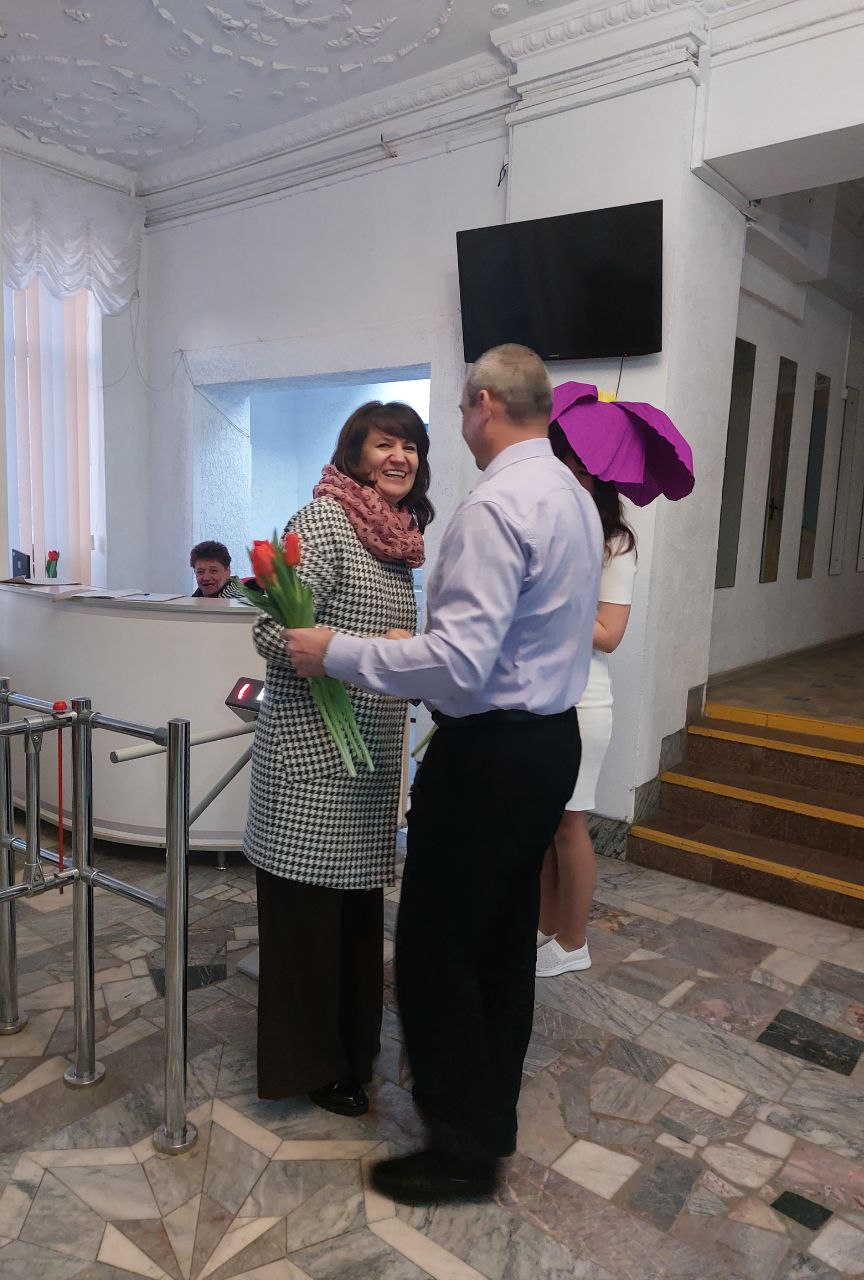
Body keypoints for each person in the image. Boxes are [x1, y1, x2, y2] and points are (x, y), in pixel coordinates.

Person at [285, 344, 603, 1205]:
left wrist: (338, 651)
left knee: (438, 949)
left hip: (490, 755)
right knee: (501, 937)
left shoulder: (494, 507)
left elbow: (461, 668)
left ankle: (459, 1153)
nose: (450, 430)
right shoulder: (572, 495)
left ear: (484, 404)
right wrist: (417, 648)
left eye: (456, 414)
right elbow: (508, 637)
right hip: (548, 741)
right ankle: (488, 1119)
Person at [245, 401, 433, 1117]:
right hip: (312, 762)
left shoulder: (399, 538)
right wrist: (366, 650)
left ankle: (351, 1053)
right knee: (306, 928)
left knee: (352, 925)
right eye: (384, 444)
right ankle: (312, 1066)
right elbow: (270, 630)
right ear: (354, 453)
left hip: (368, 767)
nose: (399, 457)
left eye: (410, 446)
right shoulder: (325, 519)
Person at [536, 426, 637, 978]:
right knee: (546, 825)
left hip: (583, 701)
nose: (574, 479)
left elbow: (609, 634)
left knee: (569, 826)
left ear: (602, 480)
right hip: (542, 695)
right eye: (566, 467)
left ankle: (574, 942)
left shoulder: (615, 543)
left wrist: (550, 604)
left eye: (584, 471)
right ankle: (545, 928)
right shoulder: (551, 531)